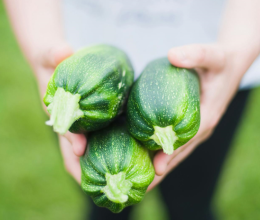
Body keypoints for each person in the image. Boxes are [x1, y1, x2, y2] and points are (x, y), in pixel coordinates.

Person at [4, 0, 260, 219]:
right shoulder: (70, 87)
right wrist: (40, 44)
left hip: (214, 59)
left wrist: (237, 54)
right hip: (83, 59)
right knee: (104, 205)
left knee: (191, 201)